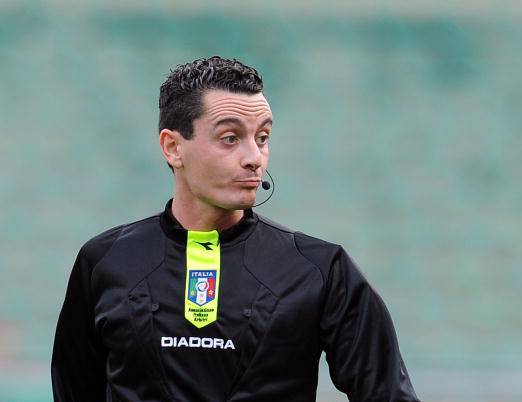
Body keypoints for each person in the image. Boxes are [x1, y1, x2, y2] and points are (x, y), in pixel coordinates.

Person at [51, 56, 421, 402]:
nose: (254, 158)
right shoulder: (106, 261)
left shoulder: (321, 269)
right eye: (230, 138)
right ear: (172, 147)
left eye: (262, 138)